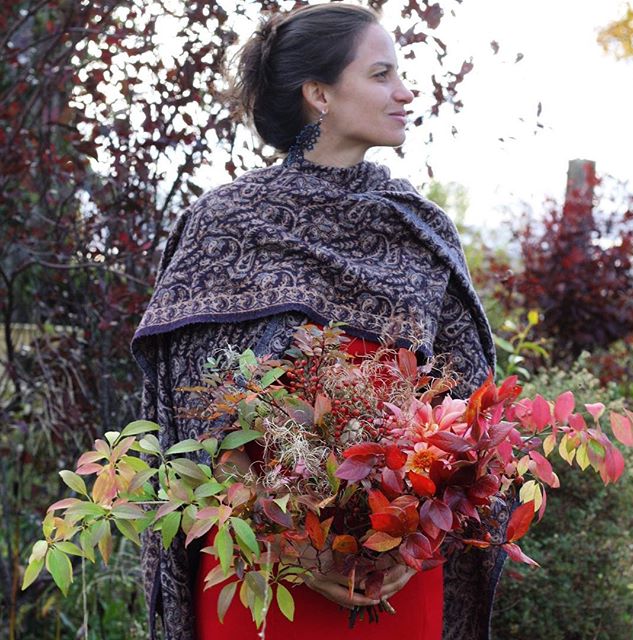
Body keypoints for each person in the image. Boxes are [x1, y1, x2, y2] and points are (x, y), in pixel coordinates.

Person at [132, 4, 507, 640]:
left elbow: (467, 409)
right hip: (264, 572)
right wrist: (297, 547)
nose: (404, 91)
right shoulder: (229, 223)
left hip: (395, 575)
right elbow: (198, 422)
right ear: (320, 94)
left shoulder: (419, 228)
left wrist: (409, 542)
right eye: (382, 74)